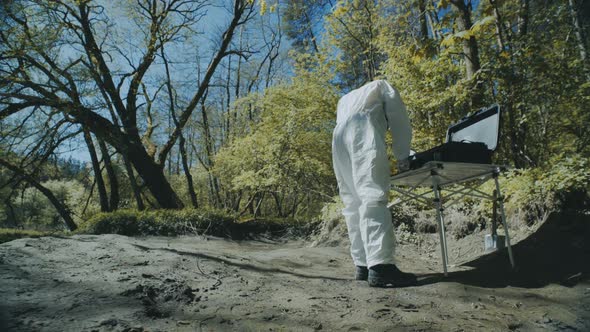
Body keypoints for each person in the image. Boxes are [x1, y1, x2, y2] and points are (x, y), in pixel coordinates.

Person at [332, 80, 417, 287]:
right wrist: (403, 155)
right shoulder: (382, 85)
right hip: (363, 130)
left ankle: (362, 264)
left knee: (352, 202)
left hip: (338, 137)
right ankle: (381, 267)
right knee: (372, 196)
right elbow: (399, 119)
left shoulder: (345, 99)